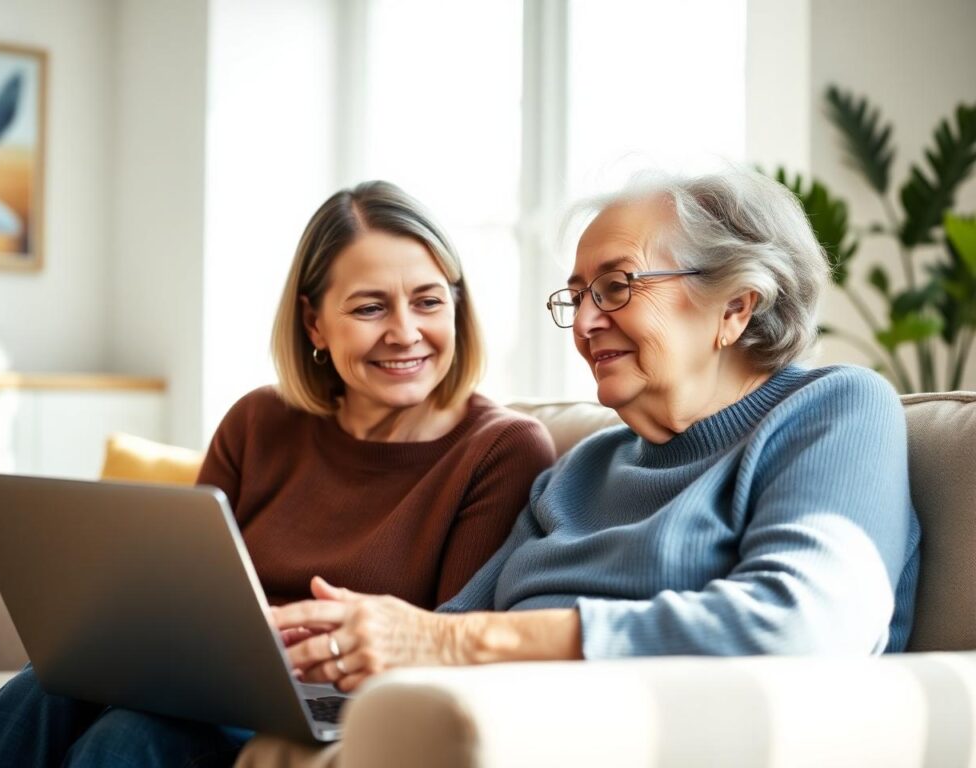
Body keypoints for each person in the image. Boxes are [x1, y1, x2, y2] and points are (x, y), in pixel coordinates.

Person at [0, 181, 555, 768]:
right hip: (206, 677)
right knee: (47, 682)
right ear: (314, 323)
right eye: (370, 307)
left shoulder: (500, 449)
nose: (405, 331)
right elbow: (180, 591)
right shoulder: (259, 421)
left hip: (346, 700)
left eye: (428, 301)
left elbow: (440, 644)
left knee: (125, 740)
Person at [275, 168, 921, 693]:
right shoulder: (582, 470)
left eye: (616, 287)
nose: (584, 324)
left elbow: (807, 626)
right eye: (576, 296)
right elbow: (440, 633)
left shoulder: (835, 411)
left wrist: (468, 644)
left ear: (735, 305)